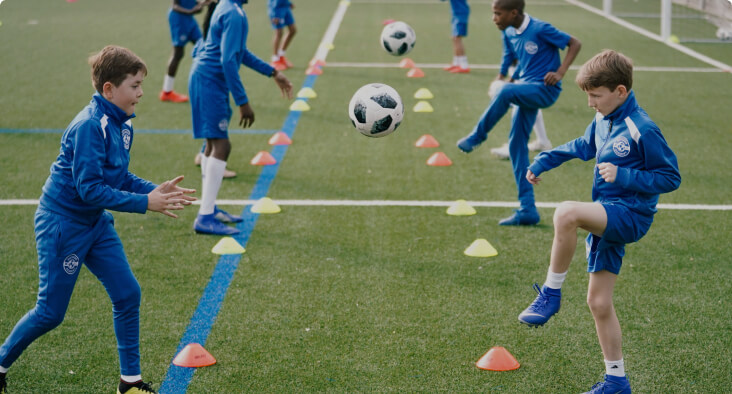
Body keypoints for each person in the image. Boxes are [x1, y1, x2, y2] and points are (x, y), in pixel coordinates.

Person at [0, 45, 196, 394]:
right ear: (109, 89)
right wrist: (144, 203)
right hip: (63, 225)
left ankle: (130, 383)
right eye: (134, 85)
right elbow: (90, 189)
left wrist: (154, 191)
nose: (140, 92)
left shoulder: (120, 123)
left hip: (94, 223)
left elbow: (117, 176)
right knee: (50, 313)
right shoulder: (90, 126)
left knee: (127, 294)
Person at [518, 50, 681, 393]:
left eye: (596, 96)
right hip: (607, 211)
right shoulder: (604, 118)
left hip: (630, 215)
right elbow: (582, 145)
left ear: (620, 91)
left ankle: (551, 293)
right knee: (599, 302)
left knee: (566, 213)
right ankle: (616, 380)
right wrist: (544, 160)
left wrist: (624, 175)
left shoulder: (643, 128)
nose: (590, 103)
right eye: (588, 96)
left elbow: (670, 177)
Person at [456, 0, 581, 226]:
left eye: (497, 13)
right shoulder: (508, 31)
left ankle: (478, 136)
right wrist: (502, 75)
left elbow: (574, 43)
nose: (494, 18)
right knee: (516, 145)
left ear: (514, 13)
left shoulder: (540, 28)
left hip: (545, 89)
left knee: (506, 92)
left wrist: (560, 72)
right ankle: (527, 209)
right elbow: (509, 55)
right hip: (526, 88)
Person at [189, 0, 293, 236]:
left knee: (212, 144)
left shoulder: (227, 7)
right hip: (210, 82)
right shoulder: (233, 13)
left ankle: (209, 208)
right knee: (221, 146)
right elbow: (227, 60)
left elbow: (239, 53)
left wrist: (273, 72)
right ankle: (205, 217)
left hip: (205, 79)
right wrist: (242, 101)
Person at [489, 64, 552, 159]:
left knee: (520, 100)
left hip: (529, 65)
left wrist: (561, 72)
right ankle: (542, 141)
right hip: (525, 64)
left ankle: (514, 147)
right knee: (528, 101)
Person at [160, 0, 210, 103]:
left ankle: (206, 87)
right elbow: (175, 6)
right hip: (178, 19)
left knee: (204, 48)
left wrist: (199, 5)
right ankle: (167, 92)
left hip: (189, 19)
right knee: (178, 54)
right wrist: (190, 11)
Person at [442, 0, 471, 73]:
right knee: (454, 38)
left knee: (457, 38)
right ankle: (456, 63)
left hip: (461, 14)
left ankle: (464, 65)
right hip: (456, 14)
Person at [268, 0, 297, 71]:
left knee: (293, 30)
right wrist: (275, 14)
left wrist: (288, 3)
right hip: (277, 9)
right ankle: (275, 60)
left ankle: (281, 56)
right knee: (279, 33)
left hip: (285, 6)